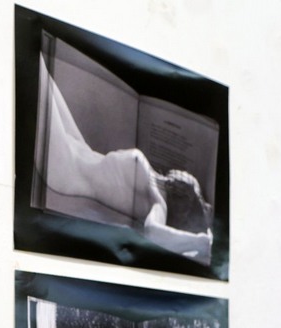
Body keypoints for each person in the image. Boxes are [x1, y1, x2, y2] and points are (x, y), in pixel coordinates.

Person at [37, 54, 214, 261]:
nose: (185, 173)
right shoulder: (154, 180)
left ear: (184, 194)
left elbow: (153, 232)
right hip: (77, 147)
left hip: (66, 170)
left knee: (34, 67)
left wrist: (200, 241)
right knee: (42, 68)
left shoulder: (158, 200)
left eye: (190, 180)